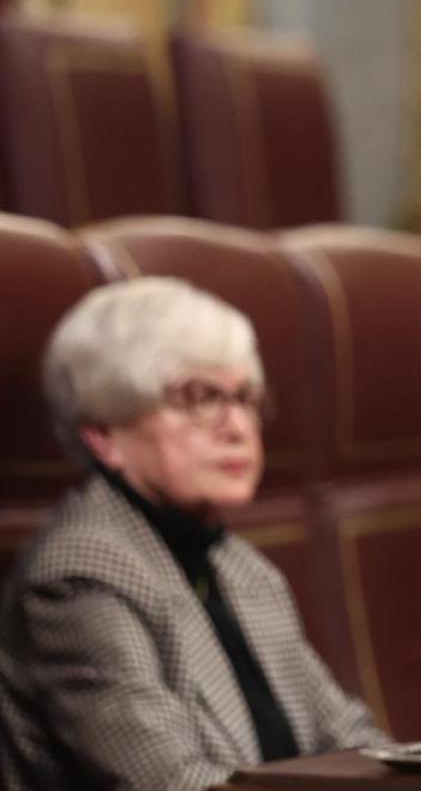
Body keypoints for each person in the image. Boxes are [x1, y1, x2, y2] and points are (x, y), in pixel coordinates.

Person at [0, 278, 385, 791]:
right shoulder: (79, 578)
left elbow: (353, 743)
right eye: (199, 397)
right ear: (104, 434)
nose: (237, 426)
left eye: (244, 397)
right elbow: (172, 782)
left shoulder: (239, 565)